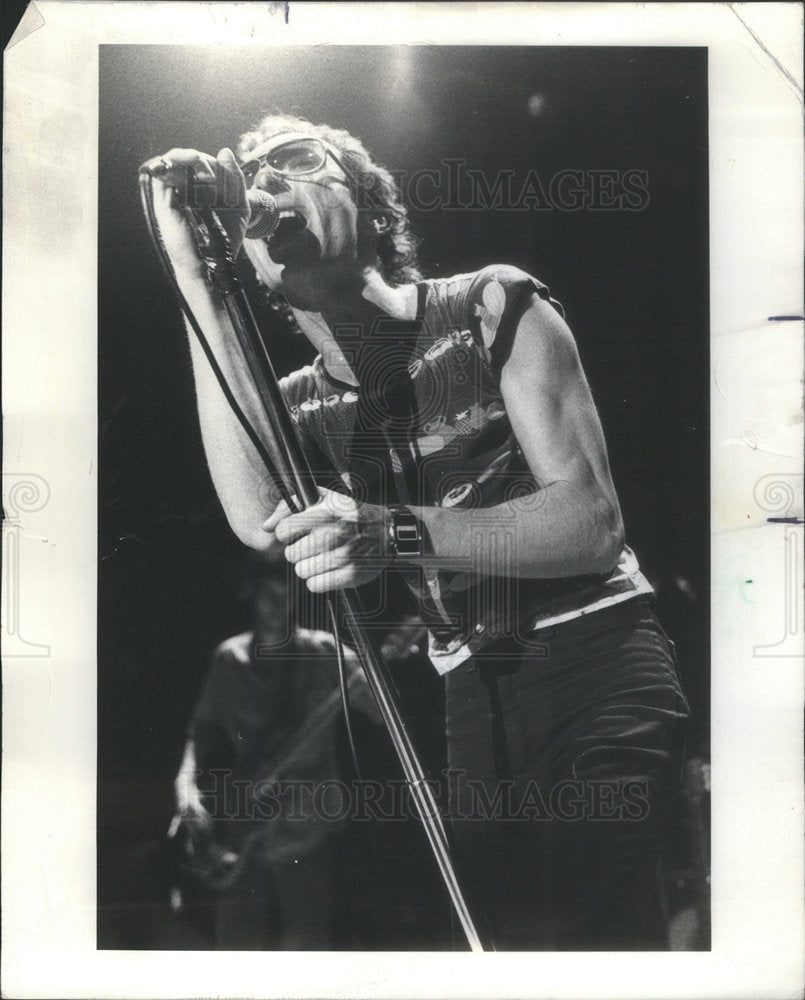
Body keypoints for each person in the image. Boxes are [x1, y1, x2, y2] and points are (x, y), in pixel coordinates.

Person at [150, 114, 690, 949]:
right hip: (470, 687)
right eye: (246, 181)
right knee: (505, 943)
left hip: (597, 656)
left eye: (293, 163)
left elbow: (588, 522)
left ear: (369, 205)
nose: (260, 188)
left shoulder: (488, 302)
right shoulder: (296, 401)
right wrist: (194, 273)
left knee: (597, 932)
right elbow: (260, 522)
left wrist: (386, 533)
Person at [169, 553, 379, 949]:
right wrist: (185, 787)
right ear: (253, 597)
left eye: (285, 597)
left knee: (307, 942)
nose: (277, 606)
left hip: (305, 827)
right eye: (268, 596)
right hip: (237, 825)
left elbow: (386, 714)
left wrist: (375, 682)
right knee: (235, 943)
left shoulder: (324, 651)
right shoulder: (230, 657)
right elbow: (202, 730)